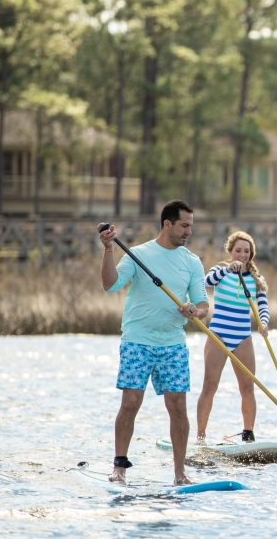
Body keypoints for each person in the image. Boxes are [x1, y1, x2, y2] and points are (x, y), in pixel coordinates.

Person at [97, 200, 208, 485]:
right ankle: (119, 469)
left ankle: (180, 474)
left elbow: (203, 305)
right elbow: (110, 284)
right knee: (131, 402)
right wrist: (108, 249)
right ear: (167, 224)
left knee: (178, 407)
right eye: (184, 225)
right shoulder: (138, 254)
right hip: (138, 340)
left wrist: (194, 310)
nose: (188, 231)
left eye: (191, 226)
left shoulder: (192, 262)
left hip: (173, 344)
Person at [195, 231, 270, 444]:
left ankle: (248, 436)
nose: (242, 255)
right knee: (210, 386)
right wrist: (228, 269)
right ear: (230, 251)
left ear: (251, 254)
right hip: (218, 334)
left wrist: (264, 324)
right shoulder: (219, 271)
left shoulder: (257, 280)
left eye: (246, 251)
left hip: (242, 337)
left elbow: (263, 308)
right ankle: (200, 437)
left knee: (247, 387)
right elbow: (206, 282)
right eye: (238, 251)